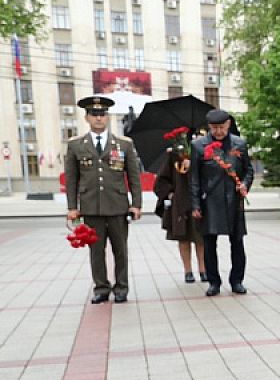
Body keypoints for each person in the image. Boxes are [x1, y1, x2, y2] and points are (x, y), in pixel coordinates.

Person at [64, 95, 143, 303]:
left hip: (117, 206)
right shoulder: (76, 145)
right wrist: (72, 207)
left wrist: (136, 204)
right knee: (96, 251)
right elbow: (71, 179)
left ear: (107, 117)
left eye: (102, 114)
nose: (99, 118)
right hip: (91, 207)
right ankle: (101, 287)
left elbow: (134, 177)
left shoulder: (124, 144)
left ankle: (121, 287)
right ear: (87, 117)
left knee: (120, 250)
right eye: (94, 114)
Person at [189, 109, 253, 296]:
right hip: (210, 201)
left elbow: (248, 170)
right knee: (209, 243)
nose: (218, 132)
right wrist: (195, 205)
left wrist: (245, 185)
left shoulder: (239, 144)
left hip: (233, 200)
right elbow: (194, 178)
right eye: (214, 128)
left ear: (228, 125)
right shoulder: (199, 145)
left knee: (238, 242)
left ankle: (237, 281)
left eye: (222, 127)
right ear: (209, 127)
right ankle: (213, 282)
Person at [153, 129, 206, 283]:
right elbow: (161, 180)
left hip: (199, 200)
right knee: (183, 237)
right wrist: (171, 195)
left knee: (201, 238)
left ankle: (203, 269)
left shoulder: (205, 153)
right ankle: (188, 270)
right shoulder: (174, 155)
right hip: (180, 202)